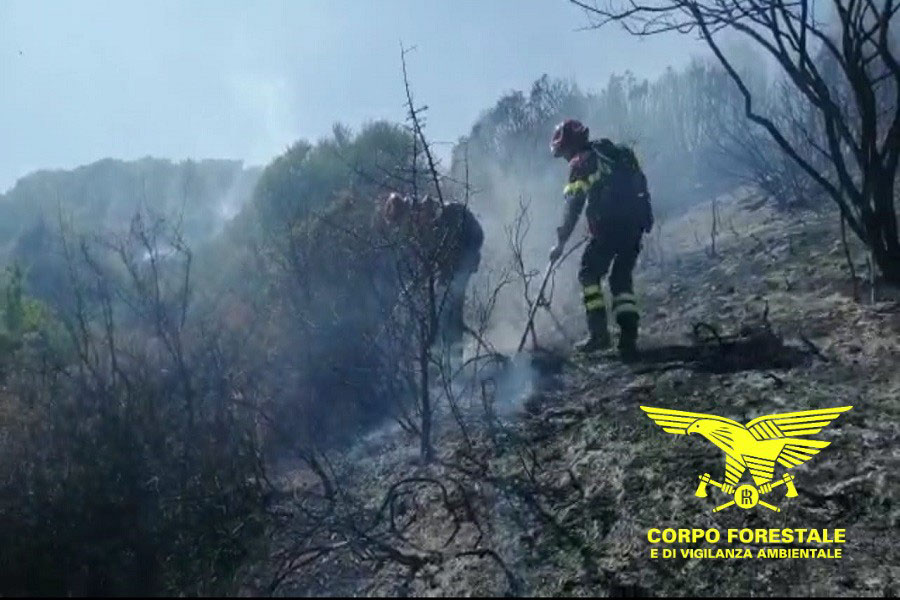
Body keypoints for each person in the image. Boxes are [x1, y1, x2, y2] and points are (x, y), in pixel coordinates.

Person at [548, 119, 653, 359]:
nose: (565, 158)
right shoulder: (617, 153)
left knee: (588, 274)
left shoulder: (581, 163)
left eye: (564, 152)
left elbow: (573, 207)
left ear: (571, 146)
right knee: (620, 279)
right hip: (634, 225)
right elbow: (641, 184)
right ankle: (628, 338)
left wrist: (561, 243)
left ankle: (599, 335)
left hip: (608, 228)